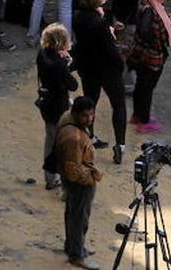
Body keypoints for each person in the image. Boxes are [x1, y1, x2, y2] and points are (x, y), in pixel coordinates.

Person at [71, 0, 127, 164]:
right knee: (118, 105)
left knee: (90, 103)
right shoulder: (100, 22)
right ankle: (120, 144)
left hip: (88, 68)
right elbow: (109, 49)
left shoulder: (78, 19)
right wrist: (120, 64)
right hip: (107, 69)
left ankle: (89, 137)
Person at [55, 96, 103, 270]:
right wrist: (93, 176)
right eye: (85, 116)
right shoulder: (74, 138)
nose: (89, 119)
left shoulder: (68, 118)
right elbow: (74, 170)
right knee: (79, 217)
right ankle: (77, 254)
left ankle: (73, 245)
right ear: (76, 114)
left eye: (92, 115)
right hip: (79, 183)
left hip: (72, 180)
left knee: (72, 213)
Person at [126, 0, 171, 133]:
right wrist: (155, 43)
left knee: (141, 86)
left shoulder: (145, 3)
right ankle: (144, 121)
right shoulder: (150, 10)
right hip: (151, 56)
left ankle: (137, 115)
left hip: (142, 54)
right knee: (147, 88)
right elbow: (145, 31)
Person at [36, 22, 77, 190]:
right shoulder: (59, 64)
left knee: (50, 141)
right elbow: (72, 84)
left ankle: (50, 178)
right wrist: (67, 64)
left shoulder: (43, 54)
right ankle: (57, 179)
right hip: (58, 107)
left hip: (46, 103)